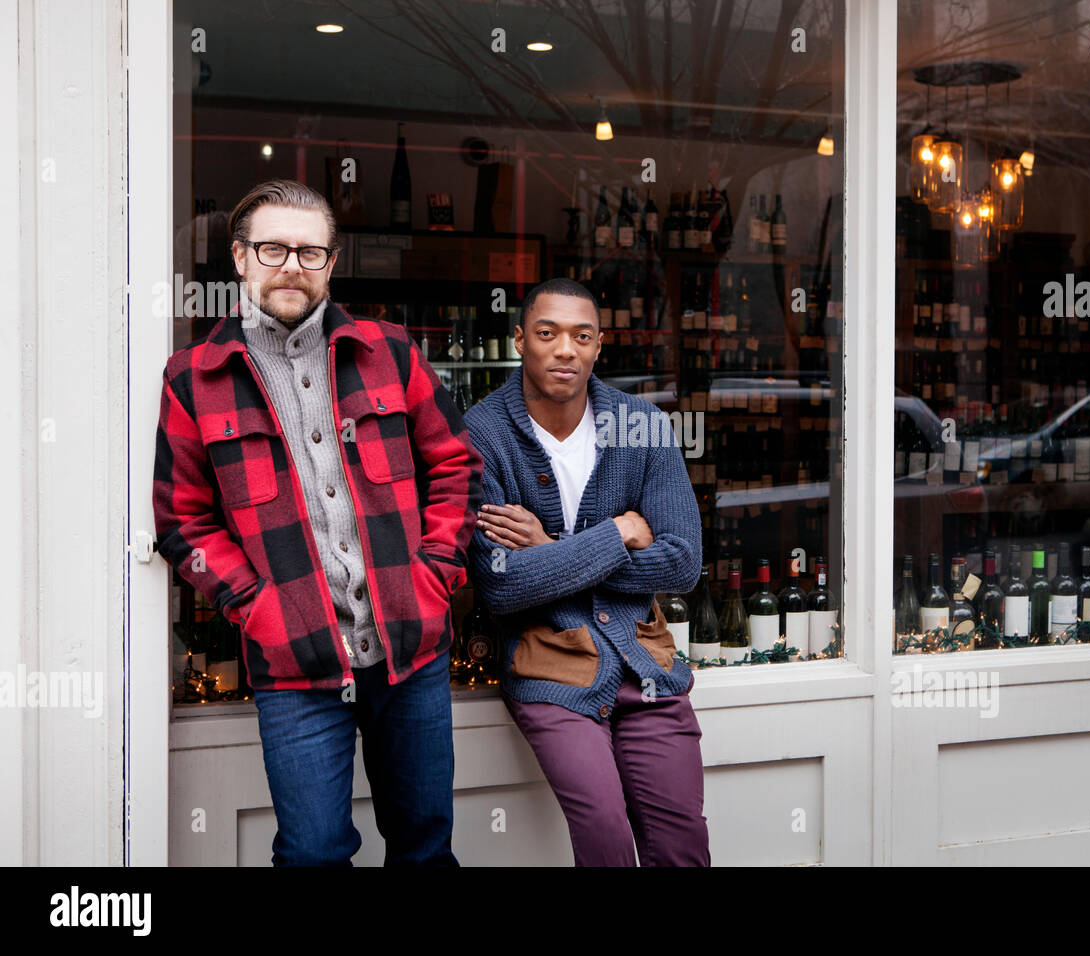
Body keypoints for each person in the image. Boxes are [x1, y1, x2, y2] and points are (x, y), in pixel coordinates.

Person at [152, 179, 482, 866]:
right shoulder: (194, 378)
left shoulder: (389, 353)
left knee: (425, 847)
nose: (291, 266)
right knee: (311, 854)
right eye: (272, 249)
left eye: (309, 252)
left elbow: (457, 469)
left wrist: (435, 575)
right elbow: (183, 521)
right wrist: (256, 605)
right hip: (294, 661)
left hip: (410, 652)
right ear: (240, 259)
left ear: (331, 263)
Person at [464, 276, 709, 866]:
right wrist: (620, 532)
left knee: (682, 845)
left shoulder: (643, 426)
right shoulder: (483, 434)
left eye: (582, 336)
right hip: (550, 665)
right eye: (547, 333)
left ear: (600, 346)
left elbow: (682, 563)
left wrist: (551, 546)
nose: (564, 350)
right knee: (604, 839)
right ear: (521, 339)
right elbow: (501, 583)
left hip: (645, 663)